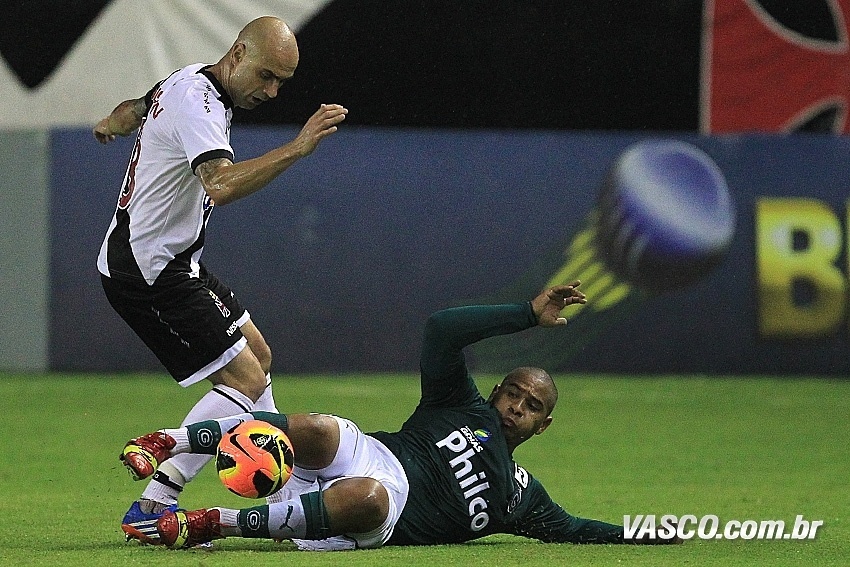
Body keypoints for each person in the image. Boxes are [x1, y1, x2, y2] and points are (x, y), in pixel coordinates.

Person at [120, 282, 682, 549]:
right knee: (315, 426)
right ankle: (170, 440)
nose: (516, 406)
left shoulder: (520, 498)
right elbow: (441, 329)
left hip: (378, 510)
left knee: (368, 497)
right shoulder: (460, 404)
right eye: (512, 393)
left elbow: (579, 530)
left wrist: (654, 533)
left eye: (531, 406)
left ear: (543, 426)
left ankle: (209, 522)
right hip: (374, 452)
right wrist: (527, 315)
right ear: (495, 392)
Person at [93, 15, 348, 541]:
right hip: (149, 272)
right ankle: (155, 499)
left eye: (283, 82)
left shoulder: (188, 80)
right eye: (267, 75)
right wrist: (298, 148)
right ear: (236, 53)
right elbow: (221, 184)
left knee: (260, 354)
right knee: (244, 381)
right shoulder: (199, 103)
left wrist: (110, 125)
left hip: (177, 260)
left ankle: (287, 492)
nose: (273, 91)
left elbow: (134, 111)